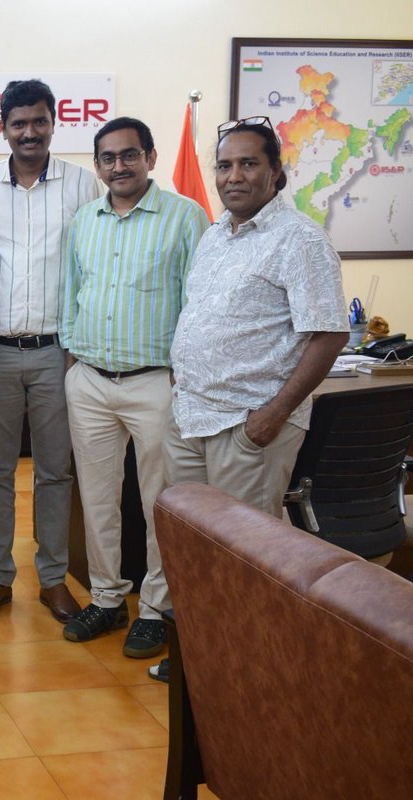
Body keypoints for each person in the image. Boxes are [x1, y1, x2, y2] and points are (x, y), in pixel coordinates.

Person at [151, 117, 348, 683]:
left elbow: (329, 333)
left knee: (243, 556)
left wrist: (275, 413)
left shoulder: (300, 240)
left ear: (275, 173)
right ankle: (198, 656)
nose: (233, 176)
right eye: (224, 165)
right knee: (189, 546)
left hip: (249, 424)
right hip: (190, 416)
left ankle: (243, 672)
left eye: (248, 164)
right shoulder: (216, 234)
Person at [59, 117, 207, 658]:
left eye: (128, 155)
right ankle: (105, 598)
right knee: (96, 500)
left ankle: (153, 609)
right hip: (91, 382)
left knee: (157, 503)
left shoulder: (186, 218)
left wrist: (182, 379)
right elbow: (69, 298)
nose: (117, 166)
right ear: (96, 165)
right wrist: (74, 365)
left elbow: (200, 306)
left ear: (150, 156)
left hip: (156, 385)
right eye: (106, 158)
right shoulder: (84, 221)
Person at [0, 79, 101, 623]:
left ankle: (53, 579)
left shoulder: (82, 186)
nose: (29, 132)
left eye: (39, 121)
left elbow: (93, 269)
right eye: (18, 123)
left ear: (53, 123)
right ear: (2, 128)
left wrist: (77, 350)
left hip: (56, 352)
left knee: (54, 471)